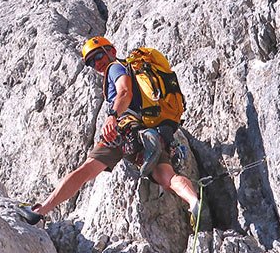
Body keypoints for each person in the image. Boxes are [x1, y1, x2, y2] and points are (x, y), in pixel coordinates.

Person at [21, 36, 202, 226]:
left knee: (86, 170)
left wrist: (112, 116)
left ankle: (40, 210)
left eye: (98, 56)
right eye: (91, 62)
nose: (97, 63)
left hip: (125, 131)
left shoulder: (115, 68)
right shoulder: (135, 70)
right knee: (167, 176)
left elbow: (125, 92)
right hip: (154, 130)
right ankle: (193, 201)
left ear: (112, 51)